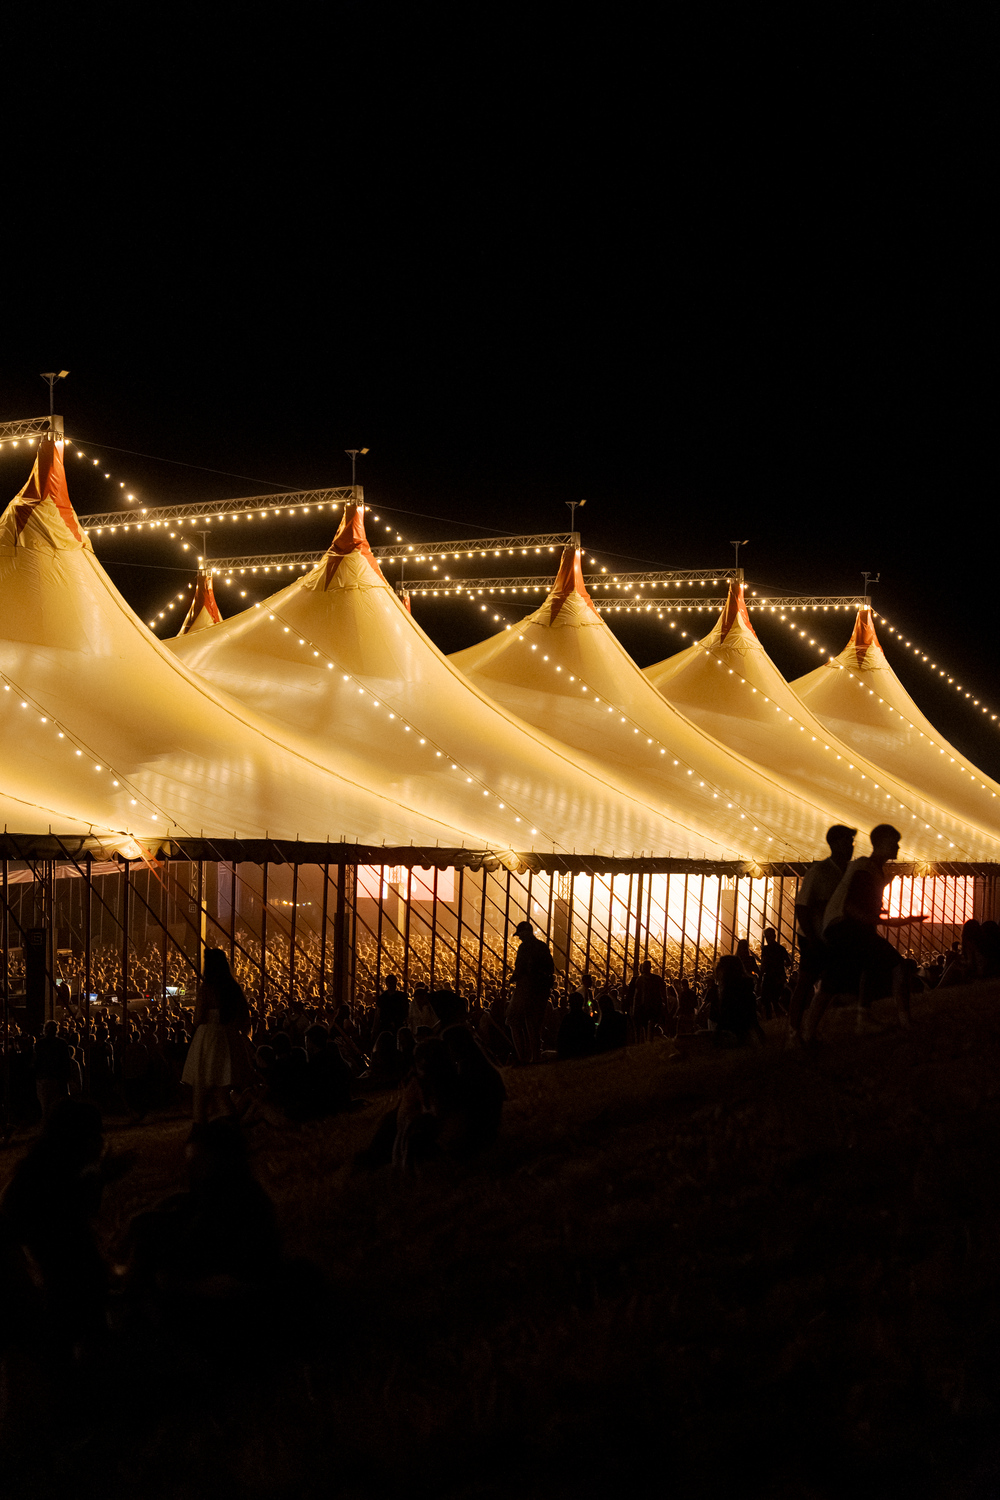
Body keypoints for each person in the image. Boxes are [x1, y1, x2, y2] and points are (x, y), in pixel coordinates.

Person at [803, 824, 911, 1041]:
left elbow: (858, 904)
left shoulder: (871, 870)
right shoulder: (866, 869)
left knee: (838, 979)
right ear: (881, 844)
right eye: (894, 842)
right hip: (845, 928)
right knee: (896, 965)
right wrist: (887, 922)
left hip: (841, 928)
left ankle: (809, 1033)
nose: (898, 847)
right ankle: (901, 1021)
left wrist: (877, 915)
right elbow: (851, 906)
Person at [786, 825, 856, 1046]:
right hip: (814, 936)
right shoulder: (820, 871)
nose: (851, 846)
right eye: (847, 842)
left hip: (835, 937)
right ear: (834, 844)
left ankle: (812, 1029)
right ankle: (794, 1031)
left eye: (852, 842)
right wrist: (812, 939)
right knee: (806, 982)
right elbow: (802, 907)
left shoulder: (849, 872)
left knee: (829, 985)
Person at [181, 950, 254, 1124]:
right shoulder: (233, 988)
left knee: (201, 1087)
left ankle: (202, 1128)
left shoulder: (207, 988)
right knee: (222, 1091)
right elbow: (243, 1018)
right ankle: (229, 1127)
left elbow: (198, 1018)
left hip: (209, 1039)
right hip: (229, 1038)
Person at [506, 920, 555, 1065]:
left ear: (526, 932)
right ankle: (535, 1055)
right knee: (534, 1023)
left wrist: (512, 979)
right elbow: (550, 968)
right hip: (542, 990)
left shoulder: (524, 947)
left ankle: (523, 1056)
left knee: (513, 1020)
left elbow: (519, 968)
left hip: (526, 988)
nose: (519, 937)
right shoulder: (542, 946)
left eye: (520, 934)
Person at [631, 959, 668, 1040]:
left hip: (648, 1006)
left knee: (645, 1026)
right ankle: (648, 1041)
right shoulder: (656, 979)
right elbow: (663, 994)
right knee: (649, 1026)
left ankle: (644, 1042)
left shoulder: (641, 980)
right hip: (650, 1006)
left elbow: (637, 995)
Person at [758, 927, 790, 1020]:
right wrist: (780, 964)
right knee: (776, 1000)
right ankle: (780, 1018)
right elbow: (788, 962)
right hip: (779, 977)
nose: (767, 939)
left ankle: (770, 1019)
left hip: (769, 977)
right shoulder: (781, 948)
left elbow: (763, 965)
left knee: (766, 1001)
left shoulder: (766, 949)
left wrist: (760, 976)